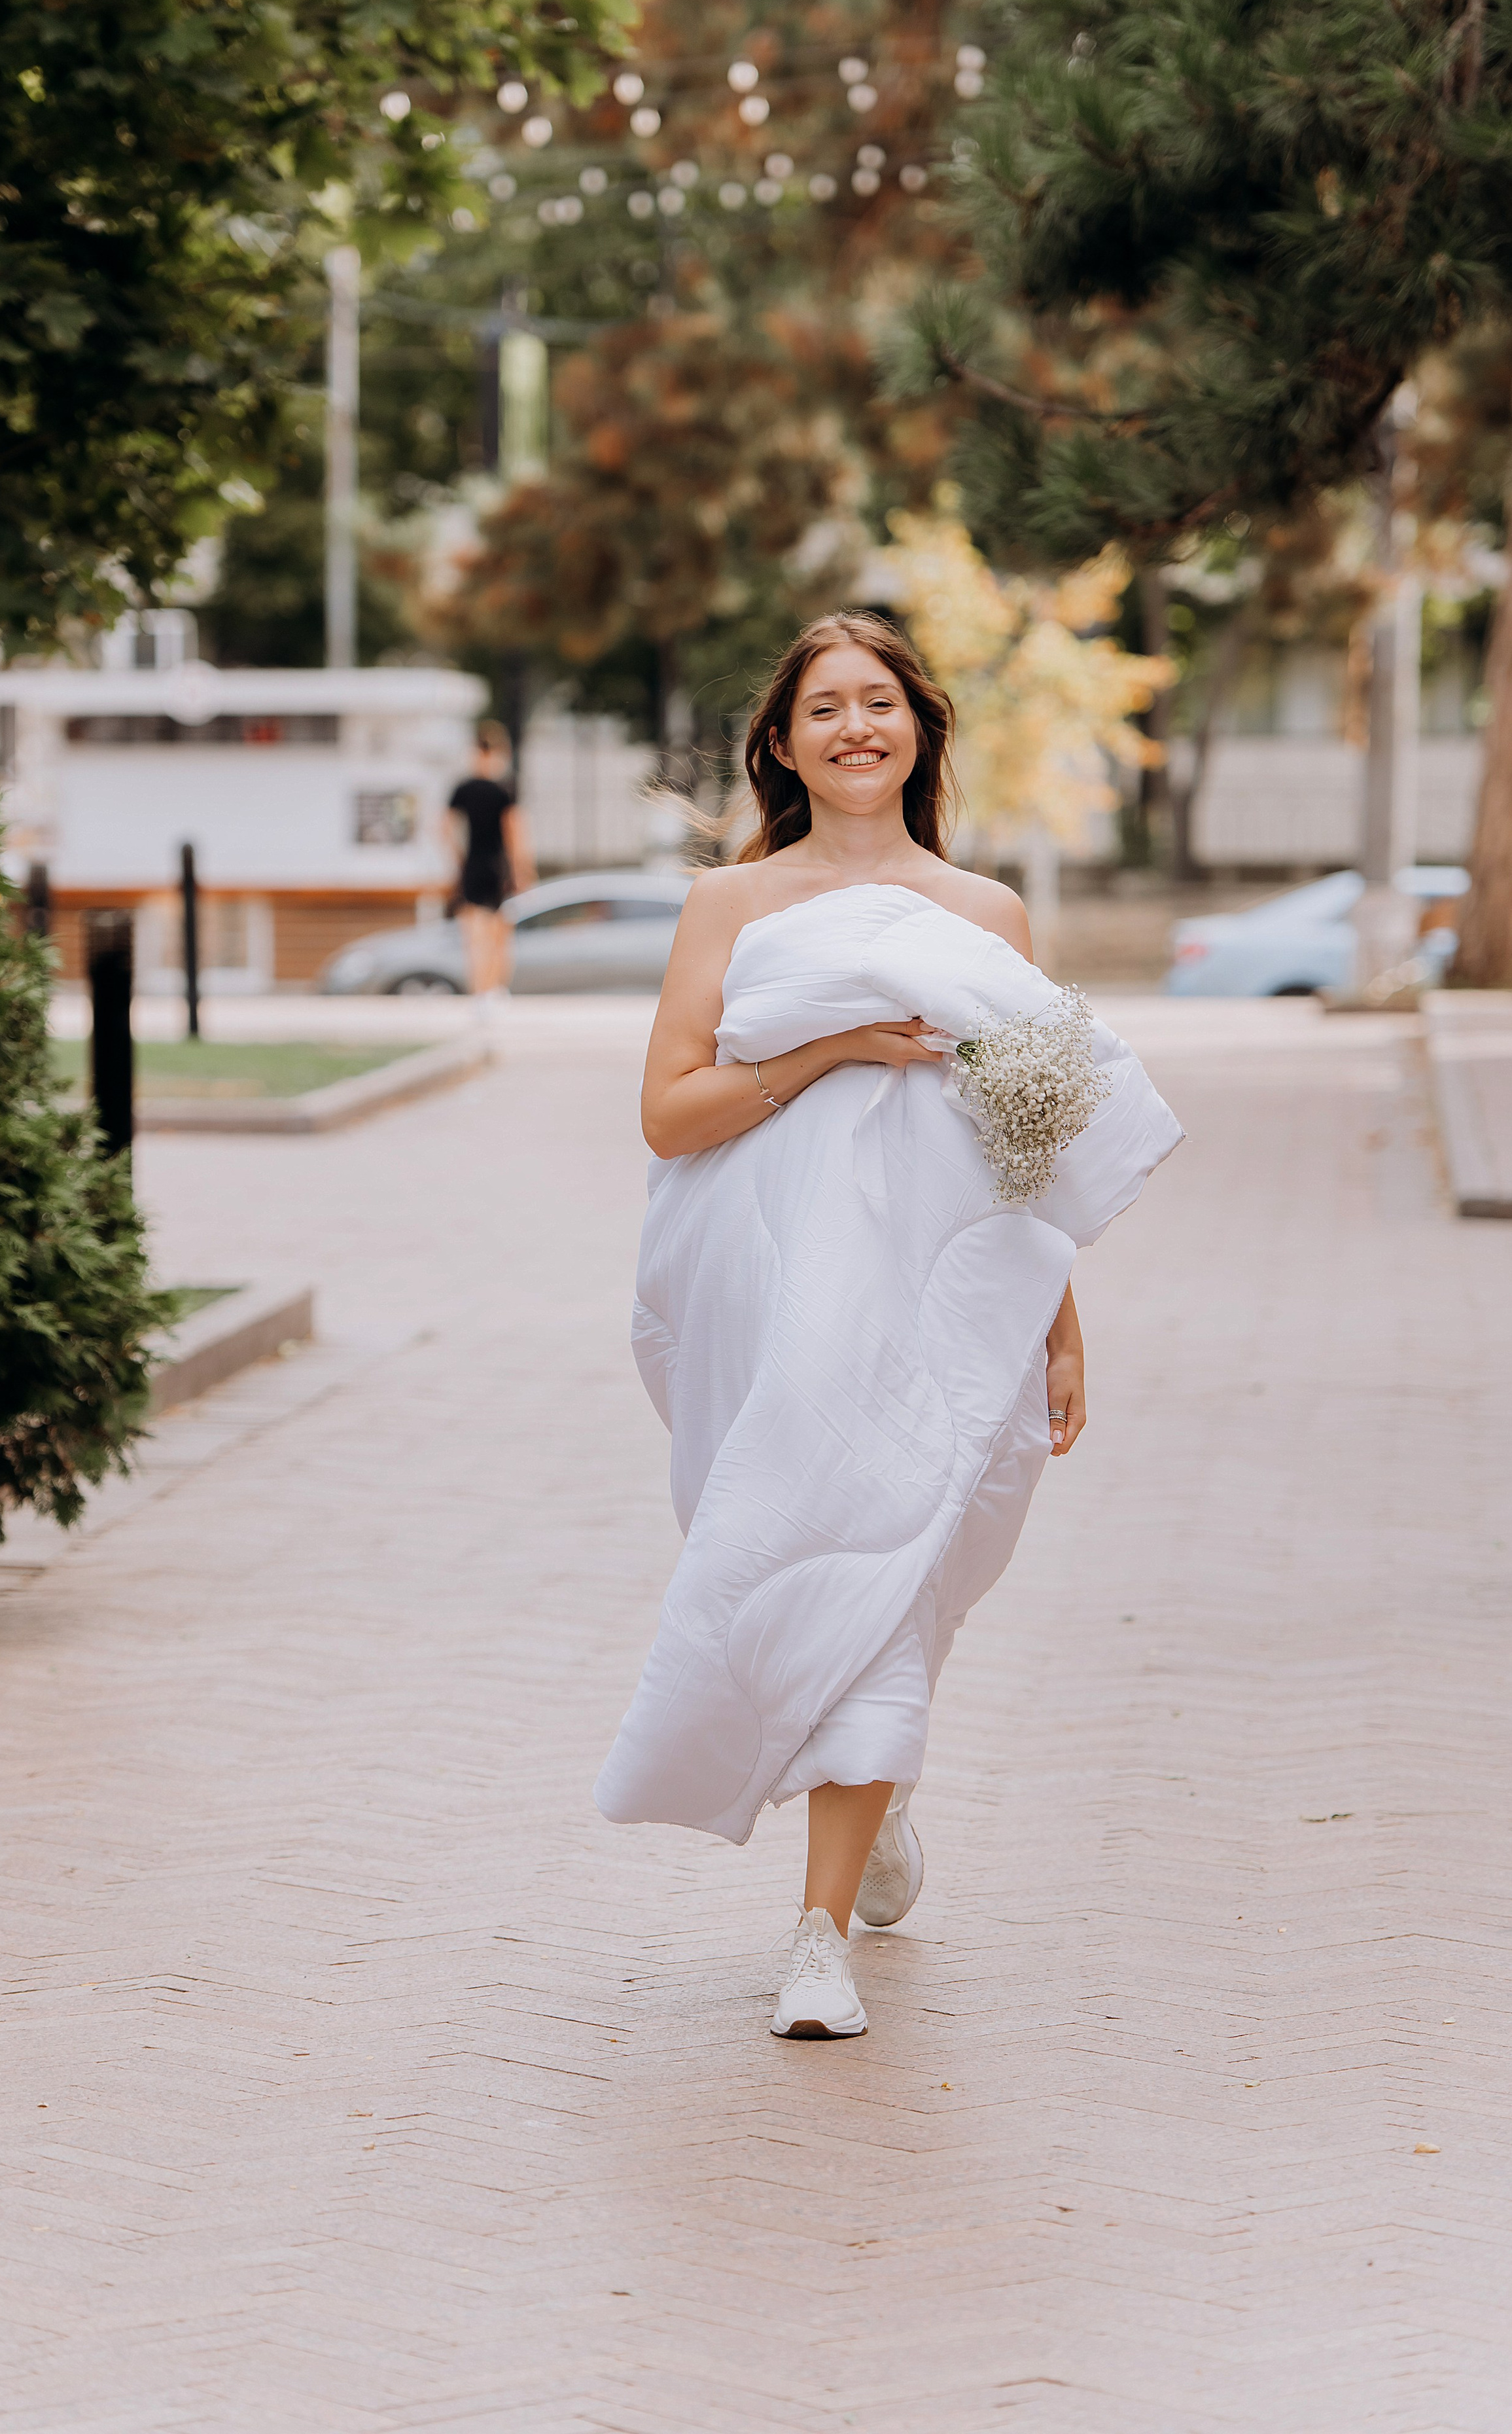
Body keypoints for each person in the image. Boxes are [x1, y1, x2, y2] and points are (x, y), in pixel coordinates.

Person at [594, 611, 1182, 2041]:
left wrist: (1057, 1321)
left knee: (897, 1555)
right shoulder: (729, 906)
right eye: (822, 709)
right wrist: (834, 1047)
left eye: (878, 703)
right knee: (794, 1548)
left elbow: (1023, 1146)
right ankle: (878, 1790)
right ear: (781, 743)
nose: (853, 728)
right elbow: (669, 1112)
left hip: (937, 1302)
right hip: (761, 1300)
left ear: (917, 728)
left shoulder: (983, 915)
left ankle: (816, 1931)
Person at [447, 721, 534, 999]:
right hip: (500, 868)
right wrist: (523, 872)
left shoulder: (463, 788)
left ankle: (478, 993)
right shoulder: (505, 788)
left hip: (473, 866)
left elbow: (444, 828)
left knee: (474, 939)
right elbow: (515, 834)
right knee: (500, 938)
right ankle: (495, 990)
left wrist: (459, 859)